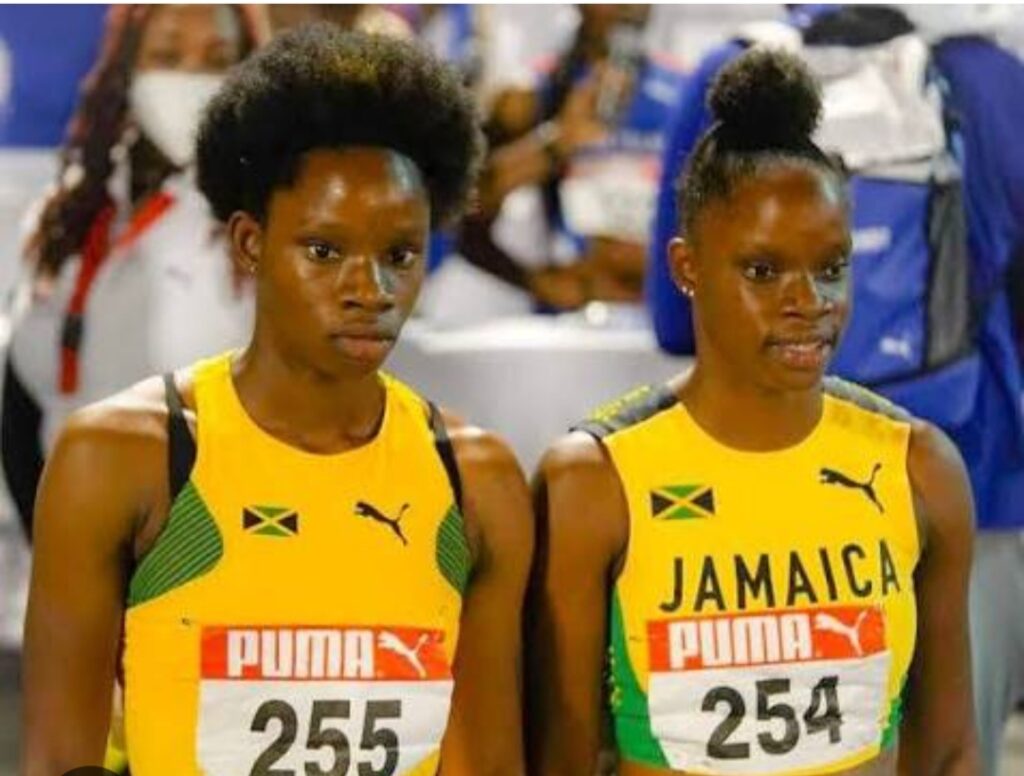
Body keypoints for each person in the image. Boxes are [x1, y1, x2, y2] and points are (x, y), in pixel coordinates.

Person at [22, 25, 532, 776]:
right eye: (325, 251)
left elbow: (485, 763)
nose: (370, 290)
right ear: (249, 244)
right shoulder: (120, 459)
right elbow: (59, 758)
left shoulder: (477, 483)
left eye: (399, 254)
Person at [529, 49, 978, 775]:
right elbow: (562, 757)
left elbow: (950, 752)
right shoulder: (594, 482)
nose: (809, 302)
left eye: (831, 268)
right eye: (764, 271)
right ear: (687, 267)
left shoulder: (919, 469)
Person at [645, 8, 1024, 774]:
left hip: (750, 499)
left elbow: (672, 317)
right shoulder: (991, 79)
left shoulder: (733, 71)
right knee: (955, 745)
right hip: (977, 470)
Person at [1, 4, 268, 540]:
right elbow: (23, 398)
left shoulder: (271, 219)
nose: (189, 80)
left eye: (217, 60)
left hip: (211, 549)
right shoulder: (73, 210)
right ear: (128, 69)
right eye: (167, 56)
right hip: (69, 543)